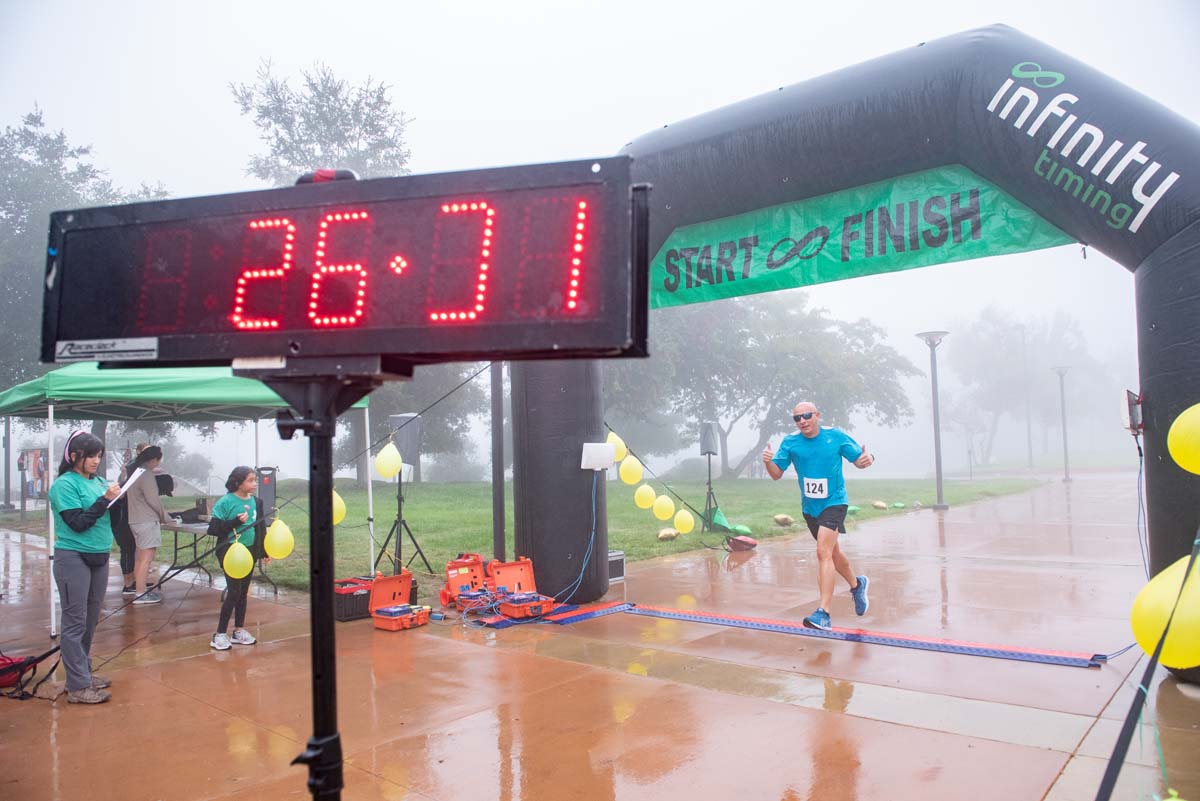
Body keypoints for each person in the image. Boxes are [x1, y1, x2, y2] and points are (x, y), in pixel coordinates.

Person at [762, 401, 874, 630]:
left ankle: (824, 613)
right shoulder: (791, 442)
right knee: (832, 553)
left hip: (835, 501)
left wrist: (868, 459)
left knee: (822, 552)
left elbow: (860, 460)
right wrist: (767, 462)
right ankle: (857, 584)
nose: (802, 421)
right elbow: (776, 474)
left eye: (806, 415)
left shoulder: (835, 437)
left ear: (817, 415)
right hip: (810, 507)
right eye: (797, 418)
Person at [48, 431, 121, 704]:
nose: (95, 461)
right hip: (73, 556)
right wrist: (104, 500)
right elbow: (78, 522)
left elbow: (108, 516)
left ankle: (83, 672)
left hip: (99, 555)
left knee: (90, 621)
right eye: (90, 455)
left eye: (99, 456)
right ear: (74, 456)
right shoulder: (65, 485)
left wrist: (117, 499)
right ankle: (78, 686)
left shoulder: (99, 481)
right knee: (75, 621)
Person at [206, 466, 268, 651]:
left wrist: (263, 551)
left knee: (243, 592)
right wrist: (235, 522)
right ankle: (219, 634)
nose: (254, 483)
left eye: (255, 480)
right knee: (233, 592)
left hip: (248, 552)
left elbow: (261, 526)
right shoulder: (225, 502)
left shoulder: (257, 502)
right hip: (229, 551)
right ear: (238, 482)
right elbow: (214, 529)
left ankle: (238, 630)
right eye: (250, 480)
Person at [125, 446, 171, 605]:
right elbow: (153, 500)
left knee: (139, 559)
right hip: (146, 521)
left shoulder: (135, 473)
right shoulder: (146, 475)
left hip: (135, 520)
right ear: (153, 460)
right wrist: (166, 517)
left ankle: (139, 589)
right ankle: (140, 593)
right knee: (146, 559)